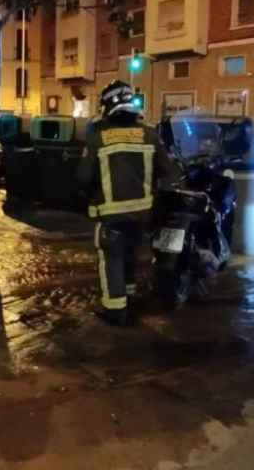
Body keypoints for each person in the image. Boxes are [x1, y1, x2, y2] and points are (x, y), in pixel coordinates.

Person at [77, 80, 178, 327]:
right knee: (130, 254)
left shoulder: (98, 136)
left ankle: (115, 310)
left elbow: (82, 177)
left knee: (111, 258)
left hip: (111, 215)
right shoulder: (149, 134)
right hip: (143, 213)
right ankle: (129, 297)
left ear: (107, 105)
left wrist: (88, 199)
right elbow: (169, 172)